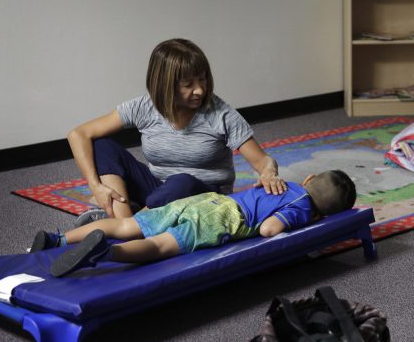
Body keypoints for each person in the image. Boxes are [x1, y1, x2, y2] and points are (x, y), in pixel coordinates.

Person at [67, 38, 286, 227]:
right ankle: (123, 216)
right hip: (158, 189)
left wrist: (268, 173)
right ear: (165, 85)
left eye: (202, 79)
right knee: (102, 145)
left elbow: (263, 161)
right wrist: (96, 187)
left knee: (181, 182)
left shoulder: (221, 114)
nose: (199, 90)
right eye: (188, 84)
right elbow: (78, 134)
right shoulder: (144, 107)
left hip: (205, 195)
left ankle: (126, 226)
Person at [30, 170, 356, 277]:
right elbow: (270, 229)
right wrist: (297, 226)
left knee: (128, 227)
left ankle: (58, 239)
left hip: (206, 201)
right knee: (159, 246)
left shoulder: (282, 183)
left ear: (310, 177)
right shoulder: (302, 207)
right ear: (322, 215)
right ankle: (102, 254)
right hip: (220, 219)